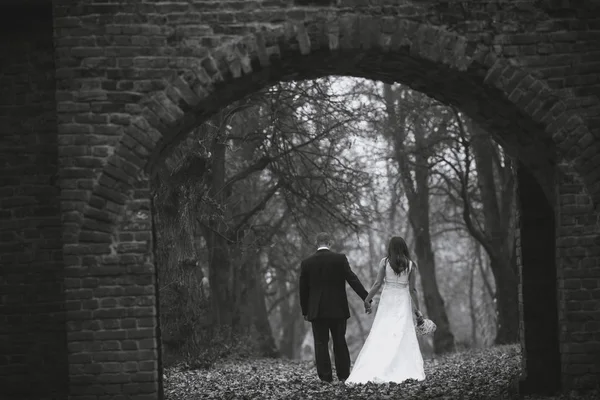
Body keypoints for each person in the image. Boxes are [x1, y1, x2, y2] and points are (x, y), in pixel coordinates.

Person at [346, 236, 426, 384]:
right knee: (402, 333)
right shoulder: (410, 265)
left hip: (388, 300)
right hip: (402, 300)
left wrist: (367, 299)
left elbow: (377, 284)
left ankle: (377, 365)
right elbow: (413, 290)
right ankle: (401, 367)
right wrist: (418, 311)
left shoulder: (385, 262)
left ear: (391, 247)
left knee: (383, 331)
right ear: (404, 247)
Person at [299, 232, 371, 384]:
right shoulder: (340, 259)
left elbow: (303, 289)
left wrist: (305, 310)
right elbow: (352, 279)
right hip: (338, 309)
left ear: (316, 243)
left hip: (317, 311)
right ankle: (343, 376)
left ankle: (325, 378)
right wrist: (366, 297)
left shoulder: (307, 263)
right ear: (330, 242)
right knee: (339, 341)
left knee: (320, 343)